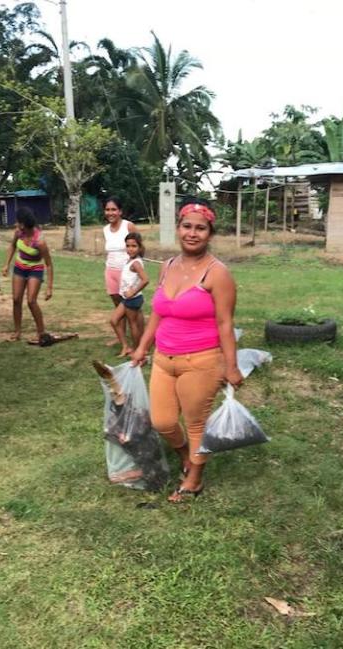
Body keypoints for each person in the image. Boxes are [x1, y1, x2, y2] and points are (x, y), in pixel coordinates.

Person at [131, 197, 243, 503]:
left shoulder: (217, 273)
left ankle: (194, 478)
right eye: (187, 226)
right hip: (163, 358)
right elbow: (158, 312)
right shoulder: (167, 266)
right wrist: (142, 347)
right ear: (178, 228)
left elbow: (225, 323)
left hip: (202, 361)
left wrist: (231, 367)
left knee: (195, 423)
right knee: (162, 421)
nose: (193, 233)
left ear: (210, 233)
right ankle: (187, 456)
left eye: (201, 228)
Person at [2, 207, 53, 344]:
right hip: (19, 267)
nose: (15, 224)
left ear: (23, 224)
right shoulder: (19, 233)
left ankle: (41, 332)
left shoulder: (39, 241)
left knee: (31, 301)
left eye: (17, 222)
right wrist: (6, 264)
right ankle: (17, 332)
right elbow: (12, 246)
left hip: (35, 269)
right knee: (16, 299)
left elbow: (48, 264)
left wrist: (49, 287)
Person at [103, 197, 137, 347]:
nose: (110, 213)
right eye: (108, 210)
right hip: (111, 271)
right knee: (118, 306)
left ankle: (139, 338)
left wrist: (135, 270)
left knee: (132, 308)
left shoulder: (128, 226)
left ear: (120, 211)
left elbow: (139, 248)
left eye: (114, 209)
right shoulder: (105, 230)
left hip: (127, 274)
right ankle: (120, 337)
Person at [110, 232, 149, 356]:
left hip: (133, 299)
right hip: (126, 298)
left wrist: (133, 291)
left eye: (133, 246)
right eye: (128, 246)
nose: (130, 249)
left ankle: (137, 349)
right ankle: (126, 346)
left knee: (133, 325)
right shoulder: (130, 260)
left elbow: (145, 280)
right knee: (114, 320)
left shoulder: (136, 263)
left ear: (139, 247)